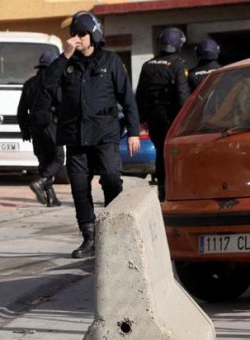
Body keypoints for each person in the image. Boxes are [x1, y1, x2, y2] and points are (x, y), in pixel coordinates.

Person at [42, 10, 140, 259]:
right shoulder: (66, 64)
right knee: (78, 187)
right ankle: (89, 236)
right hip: (75, 137)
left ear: (93, 34)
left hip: (104, 133)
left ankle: (115, 233)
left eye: (82, 34)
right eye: (74, 34)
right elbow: (46, 85)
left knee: (110, 178)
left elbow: (127, 98)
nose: (77, 38)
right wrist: (64, 56)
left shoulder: (110, 62)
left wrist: (133, 132)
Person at [136, 27, 191, 202]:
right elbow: (183, 96)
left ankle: (162, 188)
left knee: (161, 151)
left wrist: (143, 119)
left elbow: (140, 95)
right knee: (177, 153)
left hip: (154, 118)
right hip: (173, 117)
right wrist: (187, 120)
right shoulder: (178, 64)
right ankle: (176, 189)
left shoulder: (147, 65)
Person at [17, 50, 64, 207]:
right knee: (58, 159)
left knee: (44, 161)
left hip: (34, 127)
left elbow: (21, 110)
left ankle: (51, 198)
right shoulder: (54, 81)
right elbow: (61, 103)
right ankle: (39, 181)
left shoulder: (29, 84)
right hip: (50, 124)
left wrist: (25, 130)